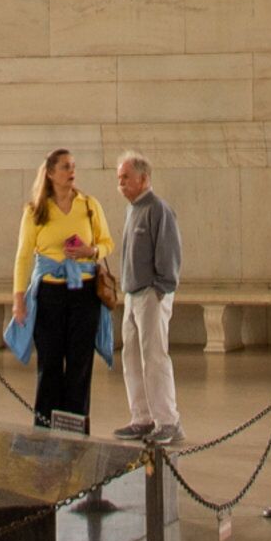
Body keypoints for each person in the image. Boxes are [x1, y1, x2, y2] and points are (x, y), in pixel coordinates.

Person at [4, 147, 114, 432]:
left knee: (79, 366)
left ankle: (76, 431)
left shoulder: (89, 205)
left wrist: (91, 250)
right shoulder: (35, 211)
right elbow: (23, 255)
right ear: (51, 173)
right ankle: (44, 430)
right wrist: (19, 299)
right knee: (50, 365)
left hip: (84, 293)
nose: (71, 171)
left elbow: (107, 243)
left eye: (74, 166)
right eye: (65, 167)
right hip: (50, 295)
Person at [111, 154, 181, 445]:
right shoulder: (132, 210)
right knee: (131, 357)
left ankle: (167, 421)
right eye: (119, 179)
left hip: (151, 293)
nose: (121, 184)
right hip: (132, 294)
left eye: (125, 178)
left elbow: (169, 253)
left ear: (143, 178)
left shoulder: (158, 209)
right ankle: (142, 417)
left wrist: (160, 288)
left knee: (154, 358)